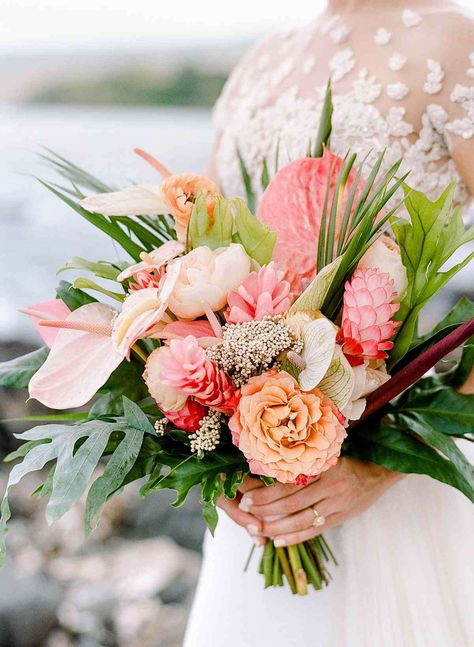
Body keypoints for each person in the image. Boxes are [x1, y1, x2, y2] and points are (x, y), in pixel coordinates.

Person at [184, 1, 474, 645]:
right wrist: (219, 453)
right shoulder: (258, 64)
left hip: (395, 480)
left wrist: (382, 470)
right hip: (261, 497)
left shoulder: (452, 46)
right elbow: (203, 272)